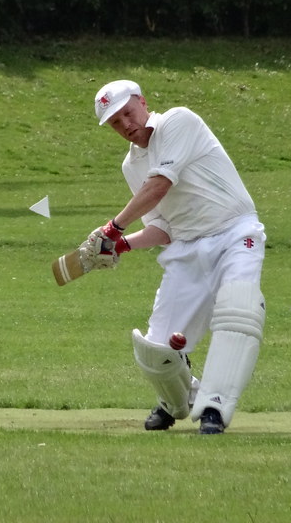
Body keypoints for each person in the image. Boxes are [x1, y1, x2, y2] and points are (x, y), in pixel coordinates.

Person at [83, 79, 266, 435]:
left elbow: (159, 186)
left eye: (128, 113)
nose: (125, 125)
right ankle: (177, 401)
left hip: (234, 232)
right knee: (156, 351)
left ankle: (214, 408)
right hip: (186, 247)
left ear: (142, 102)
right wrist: (120, 245)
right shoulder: (131, 166)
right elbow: (163, 227)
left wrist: (113, 228)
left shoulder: (179, 121)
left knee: (238, 311)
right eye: (116, 123)